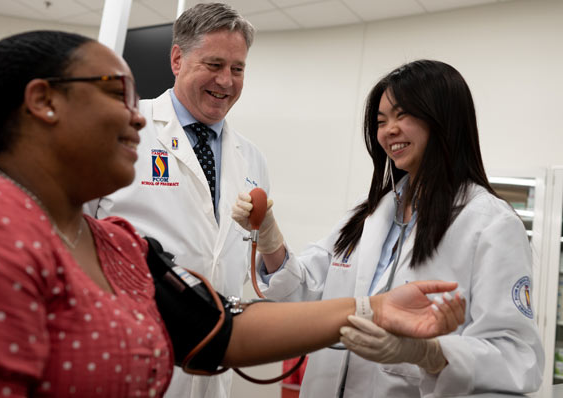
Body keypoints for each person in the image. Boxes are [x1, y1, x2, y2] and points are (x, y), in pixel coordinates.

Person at [0, 31, 466, 397]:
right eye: (118, 94)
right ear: (43, 100)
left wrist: (373, 310)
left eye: (239, 68)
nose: (139, 115)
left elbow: (219, 330)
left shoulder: (119, 243)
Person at [233, 60, 545, 397]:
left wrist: (430, 354)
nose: (388, 131)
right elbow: (306, 293)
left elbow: (517, 358)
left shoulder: (490, 224)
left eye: (402, 115)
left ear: (443, 119)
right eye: (381, 122)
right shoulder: (369, 216)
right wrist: (268, 236)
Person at [84, 5, 268, 395]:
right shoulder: (124, 129)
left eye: (237, 69)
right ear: (177, 59)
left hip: (214, 358)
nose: (226, 81)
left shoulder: (252, 158)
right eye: (214, 64)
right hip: (128, 350)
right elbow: (70, 237)